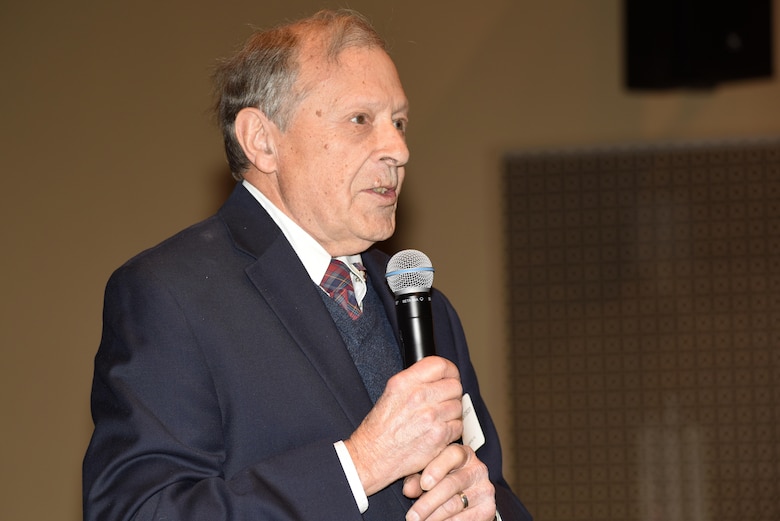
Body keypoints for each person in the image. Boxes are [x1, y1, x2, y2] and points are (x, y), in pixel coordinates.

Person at [82, 9, 532, 521]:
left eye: (400, 122)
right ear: (262, 140)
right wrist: (359, 465)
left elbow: (491, 483)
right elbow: (140, 512)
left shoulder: (422, 304)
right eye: (361, 120)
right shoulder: (170, 295)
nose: (399, 150)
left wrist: (487, 508)